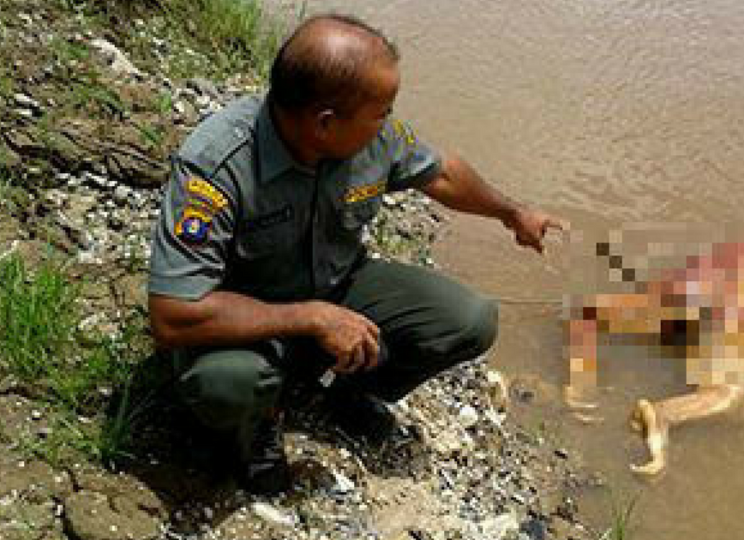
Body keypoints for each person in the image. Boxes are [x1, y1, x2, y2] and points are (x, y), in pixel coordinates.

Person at [147, 14, 563, 494]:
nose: (388, 121)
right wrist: (313, 318)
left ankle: (347, 394)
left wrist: (513, 212)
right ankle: (256, 426)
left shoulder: (372, 136)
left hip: (336, 285)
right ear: (325, 123)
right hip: (244, 321)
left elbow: (442, 173)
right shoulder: (217, 167)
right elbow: (173, 315)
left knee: (469, 319)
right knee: (229, 383)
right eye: (382, 110)